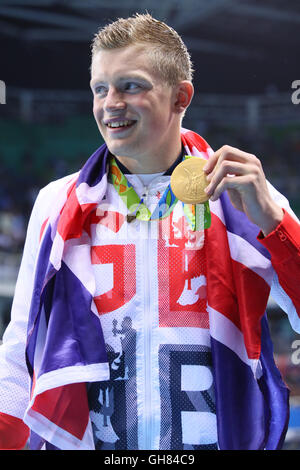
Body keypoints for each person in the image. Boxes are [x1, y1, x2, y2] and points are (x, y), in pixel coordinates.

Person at [0, 13, 300, 451]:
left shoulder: (243, 196)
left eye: (131, 86)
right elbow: (22, 342)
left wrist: (274, 221)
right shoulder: (57, 201)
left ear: (181, 97)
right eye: (100, 89)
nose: (110, 104)